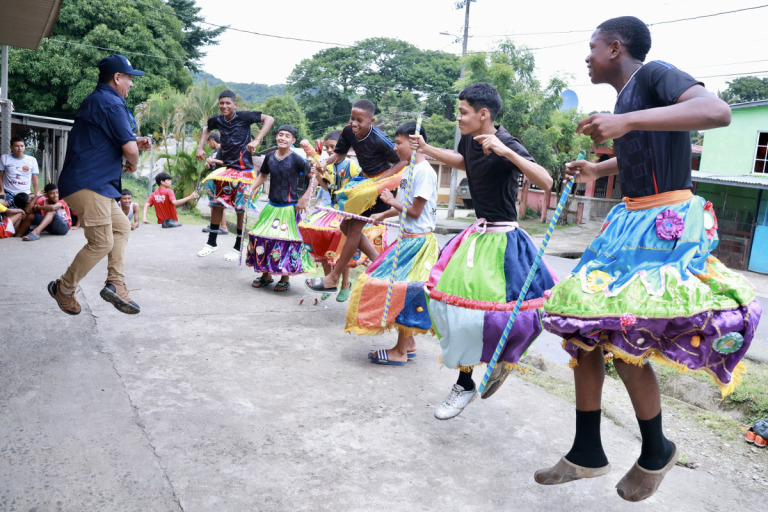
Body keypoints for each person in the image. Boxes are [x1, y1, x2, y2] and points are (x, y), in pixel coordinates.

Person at [535, 17, 760, 502]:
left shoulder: (656, 74)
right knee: (583, 331)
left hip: (666, 222)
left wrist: (628, 121)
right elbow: (648, 143)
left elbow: (717, 112)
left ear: (615, 48)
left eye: (591, 47)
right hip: (630, 219)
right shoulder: (627, 99)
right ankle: (587, 451)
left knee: (627, 331)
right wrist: (601, 164)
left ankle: (656, 449)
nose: (587, 56)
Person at [409, 82, 556, 419]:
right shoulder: (468, 139)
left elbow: (546, 182)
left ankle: (496, 363)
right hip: (477, 236)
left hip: (505, 241)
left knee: (508, 313)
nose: (458, 118)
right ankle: (467, 381)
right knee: (454, 309)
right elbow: (464, 161)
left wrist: (507, 153)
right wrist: (428, 149)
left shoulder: (506, 143)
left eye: (463, 113)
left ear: (483, 114)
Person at [48, 54, 152, 316]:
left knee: (122, 227)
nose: (131, 84)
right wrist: (134, 161)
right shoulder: (111, 103)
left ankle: (116, 284)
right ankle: (64, 288)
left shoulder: (100, 100)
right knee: (101, 242)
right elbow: (128, 150)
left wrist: (133, 143)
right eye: (129, 78)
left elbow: (112, 140)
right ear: (117, 78)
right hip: (89, 184)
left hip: (97, 184)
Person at [345, 121, 439, 364]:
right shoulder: (408, 170)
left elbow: (415, 211)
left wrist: (389, 200)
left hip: (418, 243)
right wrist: (383, 213)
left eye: (399, 143)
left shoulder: (424, 172)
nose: (395, 148)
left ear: (415, 142)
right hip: (407, 240)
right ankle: (408, 342)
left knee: (401, 290)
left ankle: (399, 352)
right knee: (398, 288)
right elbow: (403, 206)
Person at [304, 99, 407, 295]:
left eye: (360, 120)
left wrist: (378, 182)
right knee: (345, 225)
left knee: (354, 227)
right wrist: (326, 161)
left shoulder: (380, 139)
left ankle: (333, 278)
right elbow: (340, 154)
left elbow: (402, 162)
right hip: (363, 181)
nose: (355, 124)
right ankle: (380, 265)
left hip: (382, 186)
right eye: (352, 119)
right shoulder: (348, 131)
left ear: (371, 121)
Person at [299, 130, 386, 302]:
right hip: (332, 211)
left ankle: (345, 283)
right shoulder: (327, 166)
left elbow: (361, 188)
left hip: (348, 212)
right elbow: (327, 189)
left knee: (343, 246)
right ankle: (329, 278)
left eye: (334, 146)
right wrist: (318, 176)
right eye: (328, 147)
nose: (331, 151)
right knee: (325, 245)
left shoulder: (353, 166)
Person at [196, 90, 274, 261]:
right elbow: (207, 129)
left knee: (240, 208)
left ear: (234, 105)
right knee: (217, 203)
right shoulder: (217, 120)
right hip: (227, 169)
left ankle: (238, 246)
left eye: (228, 103)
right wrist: (200, 147)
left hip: (244, 170)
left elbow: (269, 119)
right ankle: (211, 242)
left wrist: (257, 139)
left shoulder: (244, 116)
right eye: (221, 103)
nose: (224, 106)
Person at [244, 125, 314, 291]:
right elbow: (263, 175)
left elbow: (313, 176)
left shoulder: (297, 159)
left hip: (289, 208)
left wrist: (305, 198)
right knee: (263, 238)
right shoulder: (269, 157)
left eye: (287, 136)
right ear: (276, 137)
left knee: (287, 242)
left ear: (293, 141)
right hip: (271, 206)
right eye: (280, 135)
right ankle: (265, 275)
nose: (282, 138)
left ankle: (285, 277)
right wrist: (250, 188)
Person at [0, 136, 40, 206]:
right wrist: (2, 191)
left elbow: (34, 179)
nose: (20, 148)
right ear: (11, 147)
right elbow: (0, 176)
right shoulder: (5, 158)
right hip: (8, 192)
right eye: (17, 146)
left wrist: (36, 194)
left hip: (25, 194)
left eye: (22, 146)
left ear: (25, 146)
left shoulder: (32, 160)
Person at [202, 131, 228, 235]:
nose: (209, 145)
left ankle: (224, 227)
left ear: (212, 140)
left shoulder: (223, 149)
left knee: (219, 203)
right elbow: (215, 166)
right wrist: (209, 165)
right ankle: (214, 225)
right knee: (213, 203)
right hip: (214, 179)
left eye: (209, 143)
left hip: (221, 180)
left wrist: (213, 160)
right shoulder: (215, 152)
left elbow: (226, 162)